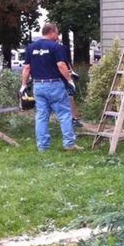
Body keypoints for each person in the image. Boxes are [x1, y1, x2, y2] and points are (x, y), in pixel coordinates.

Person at [20, 24, 80, 152]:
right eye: (57, 33)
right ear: (51, 32)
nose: (57, 36)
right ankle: (69, 144)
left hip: (38, 86)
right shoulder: (55, 47)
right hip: (54, 85)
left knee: (41, 116)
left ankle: (43, 147)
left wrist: (24, 85)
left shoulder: (31, 47)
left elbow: (26, 68)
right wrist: (69, 80)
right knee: (64, 114)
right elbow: (61, 65)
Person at [58, 40, 83, 128]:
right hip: (59, 77)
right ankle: (72, 119)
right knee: (68, 97)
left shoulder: (62, 48)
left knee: (69, 96)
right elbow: (62, 64)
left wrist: (72, 72)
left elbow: (66, 62)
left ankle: (73, 118)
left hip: (64, 76)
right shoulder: (56, 48)